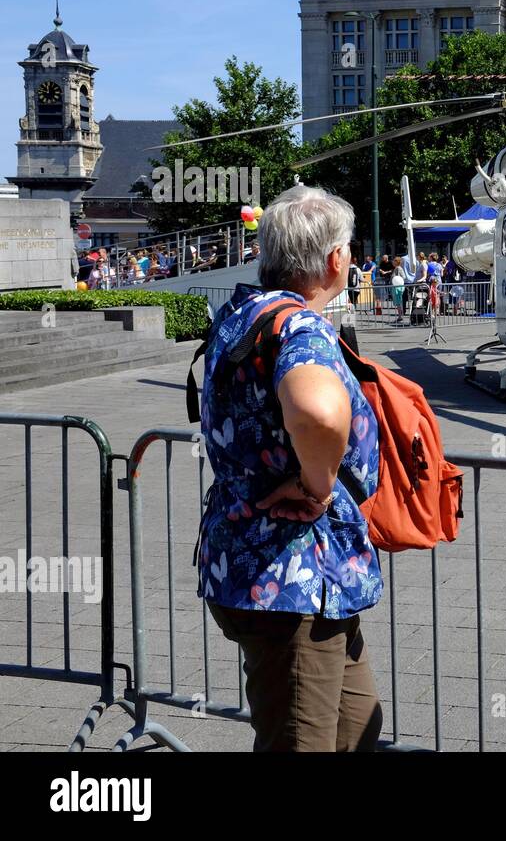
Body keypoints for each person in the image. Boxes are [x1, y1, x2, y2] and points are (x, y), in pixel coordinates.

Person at [196, 184, 383, 752]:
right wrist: (317, 485)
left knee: (356, 726)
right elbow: (318, 411)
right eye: (349, 250)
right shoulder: (301, 328)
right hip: (294, 579)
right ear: (334, 260)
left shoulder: (244, 313)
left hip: (265, 566)